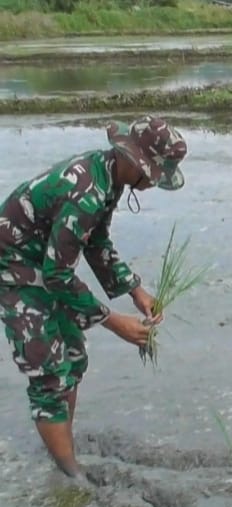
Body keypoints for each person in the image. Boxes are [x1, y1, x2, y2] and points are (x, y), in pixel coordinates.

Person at [0, 115, 188, 480]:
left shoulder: (108, 175)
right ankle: (71, 477)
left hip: (42, 261)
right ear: (134, 161)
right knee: (48, 371)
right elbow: (57, 275)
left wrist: (135, 290)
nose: (152, 183)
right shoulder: (85, 193)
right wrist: (114, 322)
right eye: (152, 175)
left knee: (72, 354)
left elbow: (96, 242)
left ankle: (61, 452)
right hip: (13, 265)